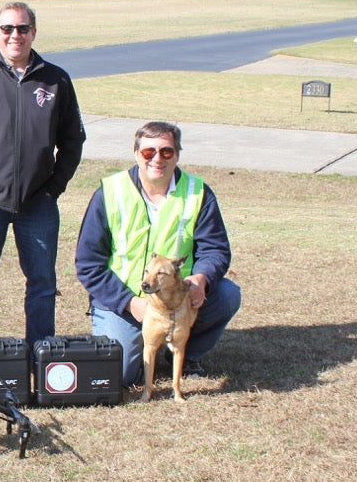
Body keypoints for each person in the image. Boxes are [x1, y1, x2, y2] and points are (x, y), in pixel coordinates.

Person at [0, 2, 85, 346]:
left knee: (41, 281)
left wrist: (54, 188)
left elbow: (73, 139)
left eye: (22, 29)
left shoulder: (55, 79)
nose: (15, 36)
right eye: (7, 29)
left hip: (38, 203)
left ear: (34, 33)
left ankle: (40, 352)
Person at [74, 121, 242, 386]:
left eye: (166, 151)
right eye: (148, 151)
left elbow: (215, 249)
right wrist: (129, 303)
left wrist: (202, 278)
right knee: (121, 376)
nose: (157, 159)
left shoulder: (198, 192)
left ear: (177, 155)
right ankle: (140, 346)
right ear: (136, 153)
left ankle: (186, 355)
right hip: (125, 303)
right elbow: (88, 264)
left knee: (227, 294)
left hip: (178, 300)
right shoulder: (110, 192)